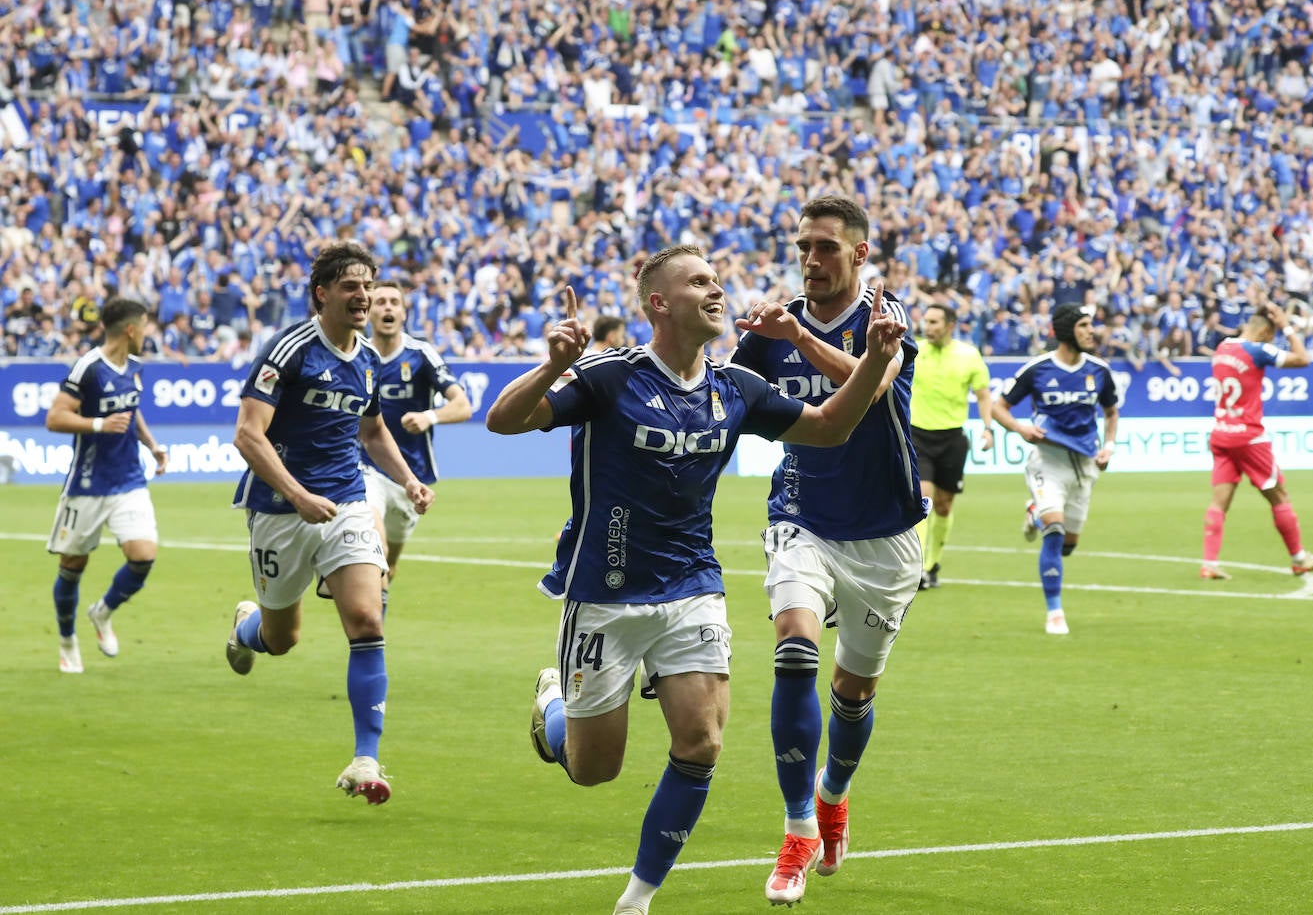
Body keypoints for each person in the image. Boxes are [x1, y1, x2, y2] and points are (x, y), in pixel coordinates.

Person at [485, 245, 905, 915]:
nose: (717, 289)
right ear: (660, 303)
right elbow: (503, 419)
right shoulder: (610, 378)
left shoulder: (734, 388)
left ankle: (637, 897)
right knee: (596, 770)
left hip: (692, 590)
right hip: (606, 593)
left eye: (718, 278)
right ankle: (555, 711)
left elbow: (828, 428)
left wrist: (877, 364)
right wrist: (555, 365)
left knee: (703, 741)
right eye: (699, 281)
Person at [727, 195, 924, 906]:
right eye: (804, 245)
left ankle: (834, 793)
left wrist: (799, 339)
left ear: (860, 255)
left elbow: (870, 388)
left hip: (885, 535)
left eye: (827, 248)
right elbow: (723, 395)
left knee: (854, 690)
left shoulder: (887, 318)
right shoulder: (773, 327)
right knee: (794, 651)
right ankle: (798, 825)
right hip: (801, 515)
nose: (811, 260)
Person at [224, 243, 435, 805]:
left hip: (345, 500)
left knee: (367, 618)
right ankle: (246, 629)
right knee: (281, 637)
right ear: (323, 294)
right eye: (351, 286)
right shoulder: (290, 349)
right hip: (280, 508)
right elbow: (248, 434)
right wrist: (295, 493)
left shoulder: (367, 358)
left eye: (368, 285)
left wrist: (408, 478)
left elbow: (371, 433)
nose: (363, 296)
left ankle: (366, 759)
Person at [44, 298, 169, 673]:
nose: (148, 334)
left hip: (129, 480)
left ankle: (102, 611)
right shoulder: (88, 368)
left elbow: (131, 411)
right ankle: (67, 641)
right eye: (145, 327)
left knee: (144, 555)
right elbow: (55, 418)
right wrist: (98, 424)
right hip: (87, 485)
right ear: (130, 329)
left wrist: (152, 445)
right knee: (72, 565)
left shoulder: (135, 367)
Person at [991, 303, 1119, 635]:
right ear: (1066, 331)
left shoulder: (1099, 370)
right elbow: (999, 406)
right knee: (1055, 532)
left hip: (1084, 464)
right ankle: (1055, 612)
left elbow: (1111, 413)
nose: (1092, 331)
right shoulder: (1037, 369)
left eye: (1092, 325)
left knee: (1068, 545)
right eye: (1084, 325)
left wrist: (1109, 447)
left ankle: (1034, 512)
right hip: (1047, 462)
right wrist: (1021, 429)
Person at [361, 280, 472, 611]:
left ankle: (377, 599)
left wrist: (430, 417)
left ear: (404, 312)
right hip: (365, 466)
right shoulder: (357, 355)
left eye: (395, 302)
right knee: (372, 544)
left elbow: (463, 405)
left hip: (412, 476)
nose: (388, 307)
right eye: (380, 302)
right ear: (368, 311)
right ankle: (370, 639)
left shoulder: (421, 355)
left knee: (389, 565)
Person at [1200, 303, 1313, 580]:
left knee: (1219, 502)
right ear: (1263, 331)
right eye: (1271, 336)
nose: (1272, 341)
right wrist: (1286, 325)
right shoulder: (1257, 350)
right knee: (1279, 496)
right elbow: (1302, 358)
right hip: (1249, 438)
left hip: (1222, 433)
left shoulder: (1223, 348)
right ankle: (1299, 559)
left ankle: (1209, 564)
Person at [909, 301, 995, 590]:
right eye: (926, 321)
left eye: (934, 322)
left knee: (944, 506)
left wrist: (987, 428)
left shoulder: (969, 356)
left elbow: (983, 395)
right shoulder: (914, 350)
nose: (927, 327)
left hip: (952, 439)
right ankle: (917, 566)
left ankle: (933, 564)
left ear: (949, 325)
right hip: (918, 434)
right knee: (924, 498)